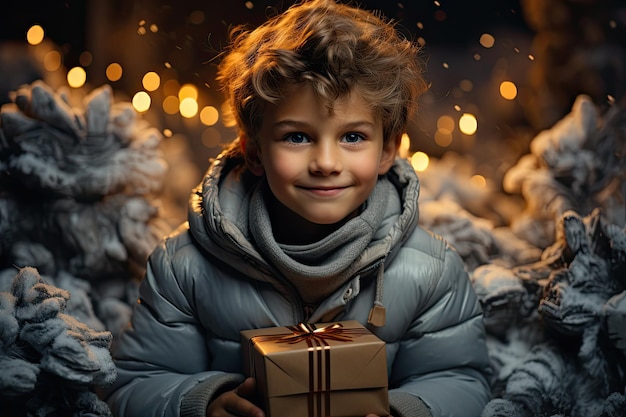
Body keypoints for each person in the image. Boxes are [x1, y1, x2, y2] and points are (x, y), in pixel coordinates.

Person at [102, 0, 492, 416]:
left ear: (388, 151)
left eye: (353, 137)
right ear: (253, 150)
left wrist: (404, 410)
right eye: (297, 138)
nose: (326, 163)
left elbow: (460, 380)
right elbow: (137, 382)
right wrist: (204, 402)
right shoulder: (184, 268)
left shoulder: (431, 271)